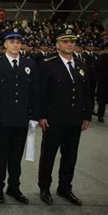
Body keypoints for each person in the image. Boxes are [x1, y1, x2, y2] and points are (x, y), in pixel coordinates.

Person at [38, 28, 92, 206]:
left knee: (70, 155)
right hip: (54, 119)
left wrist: (86, 115)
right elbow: (41, 92)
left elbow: (87, 93)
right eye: (65, 41)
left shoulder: (82, 65)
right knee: (49, 155)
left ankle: (65, 187)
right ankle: (44, 188)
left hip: (75, 120)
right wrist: (41, 115)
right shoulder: (48, 64)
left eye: (72, 41)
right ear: (57, 44)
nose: (69, 44)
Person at [0, 29, 40, 205]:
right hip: (2, 119)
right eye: (12, 41)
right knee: (0, 155)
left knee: (16, 156)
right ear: (5, 44)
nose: (15, 44)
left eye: (18, 41)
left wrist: (34, 115)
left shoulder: (29, 64)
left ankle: (14, 187)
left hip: (21, 118)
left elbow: (34, 92)